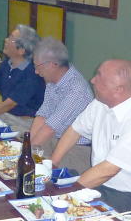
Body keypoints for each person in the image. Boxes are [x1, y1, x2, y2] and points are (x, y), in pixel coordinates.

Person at [50, 59, 131, 212]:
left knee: (64, 212)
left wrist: (68, 194)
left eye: (99, 77)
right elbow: (75, 130)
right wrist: (51, 166)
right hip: (103, 186)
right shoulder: (101, 103)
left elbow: (109, 169)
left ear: (118, 89)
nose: (92, 80)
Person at [28, 37, 93, 171]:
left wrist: (26, 154)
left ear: (53, 64)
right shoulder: (53, 80)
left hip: (77, 150)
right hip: (55, 138)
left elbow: (50, 128)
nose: (36, 71)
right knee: (21, 144)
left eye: (37, 66)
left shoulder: (77, 90)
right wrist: (29, 147)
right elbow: (42, 115)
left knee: (36, 169)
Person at [0, 25, 45, 133]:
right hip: (8, 114)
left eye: (11, 38)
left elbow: (9, 104)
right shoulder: (7, 64)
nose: (6, 40)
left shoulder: (31, 72)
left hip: (25, 121)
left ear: (21, 50)